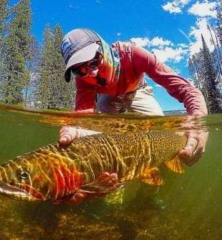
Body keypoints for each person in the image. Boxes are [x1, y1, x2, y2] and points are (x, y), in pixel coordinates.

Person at [56, 28, 208, 204]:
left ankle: (150, 195)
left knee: (162, 134)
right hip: (109, 98)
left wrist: (198, 125)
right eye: (79, 70)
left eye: (94, 61)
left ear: (104, 47)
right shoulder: (84, 80)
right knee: (100, 142)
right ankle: (112, 188)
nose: (91, 73)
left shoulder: (134, 53)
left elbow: (187, 90)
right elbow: (84, 119)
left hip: (138, 91)